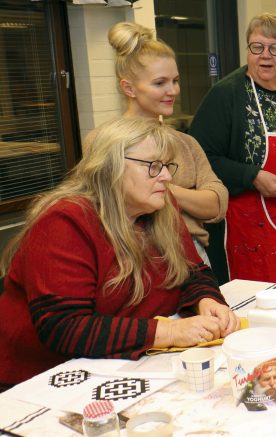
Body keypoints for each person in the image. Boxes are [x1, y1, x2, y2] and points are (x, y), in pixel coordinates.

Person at [0, 117, 240, 392]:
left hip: (119, 363)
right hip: (42, 380)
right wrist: (171, 332)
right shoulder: (65, 222)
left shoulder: (160, 206)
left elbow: (192, 271)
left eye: (166, 166)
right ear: (110, 167)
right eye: (154, 166)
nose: (167, 177)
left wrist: (206, 300)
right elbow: (65, 328)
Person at [189, 12, 276, 286]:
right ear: (248, 49)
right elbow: (201, 159)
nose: (265, 55)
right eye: (257, 47)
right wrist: (251, 176)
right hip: (251, 232)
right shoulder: (226, 95)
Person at [85, 22, 228, 266]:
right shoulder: (104, 142)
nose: (173, 90)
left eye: (175, 80)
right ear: (128, 87)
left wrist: (161, 188)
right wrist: (187, 195)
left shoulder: (186, 144)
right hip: (130, 257)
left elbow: (216, 205)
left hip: (191, 259)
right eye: (160, 83)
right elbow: (101, 208)